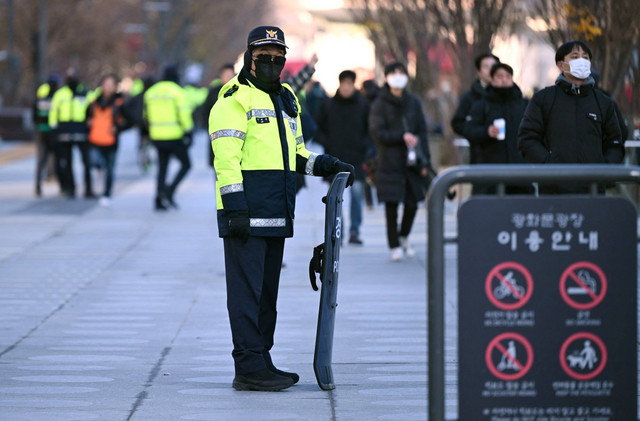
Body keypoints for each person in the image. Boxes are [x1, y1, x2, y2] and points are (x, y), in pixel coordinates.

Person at [209, 25, 354, 392]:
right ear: (249, 58)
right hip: (245, 213)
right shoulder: (233, 99)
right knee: (246, 294)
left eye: (278, 57)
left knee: (266, 296)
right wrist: (235, 208)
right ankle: (247, 366)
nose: (272, 63)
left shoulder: (288, 97)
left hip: (277, 210)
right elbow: (226, 162)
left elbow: (296, 154)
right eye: (264, 57)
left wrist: (325, 164)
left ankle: (262, 359)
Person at [518, 40, 624, 194]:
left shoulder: (603, 102)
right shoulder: (544, 99)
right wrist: (549, 164)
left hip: (593, 188)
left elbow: (615, 143)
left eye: (585, 57)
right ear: (561, 65)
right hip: (554, 189)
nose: (582, 61)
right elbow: (527, 138)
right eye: (575, 57)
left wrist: (603, 168)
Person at [369, 62, 432, 262]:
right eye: (394, 73)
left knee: (413, 203)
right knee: (391, 206)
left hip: (412, 161)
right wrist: (401, 136)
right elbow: (377, 132)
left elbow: (422, 129)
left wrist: (426, 160)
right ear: (386, 77)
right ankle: (394, 245)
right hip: (389, 161)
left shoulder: (413, 102)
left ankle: (404, 235)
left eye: (401, 72)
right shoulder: (379, 103)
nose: (398, 76)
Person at [315, 70, 371, 244]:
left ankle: (355, 231)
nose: (346, 87)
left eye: (349, 83)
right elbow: (316, 128)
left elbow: (370, 131)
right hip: (335, 160)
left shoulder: (363, 105)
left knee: (356, 195)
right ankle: (337, 232)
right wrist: (328, 143)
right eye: (344, 83)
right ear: (340, 84)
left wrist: (366, 148)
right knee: (335, 197)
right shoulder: (328, 105)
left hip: (357, 157)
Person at [463, 62, 532, 195]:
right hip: (489, 174)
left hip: (520, 174)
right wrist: (486, 132)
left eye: (508, 76)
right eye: (500, 76)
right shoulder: (481, 105)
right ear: (492, 80)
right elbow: (468, 130)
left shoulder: (525, 105)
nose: (504, 80)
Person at [143, 65, 194, 210]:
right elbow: (184, 114)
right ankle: (169, 191)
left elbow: (145, 116)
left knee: (162, 168)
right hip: (174, 136)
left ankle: (158, 198)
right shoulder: (177, 92)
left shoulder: (151, 92)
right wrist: (188, 132)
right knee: (186, 164)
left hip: (157, 136)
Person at [49, 68, 94, 199]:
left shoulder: (86, 93)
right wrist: (54, 129)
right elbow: (53, 112)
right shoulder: (60, 94)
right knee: (67, 162)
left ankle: (88, 188)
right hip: (64, 132)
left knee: (86, 162)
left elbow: (93, 108)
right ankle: (70, 188)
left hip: (82, 132)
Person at [86, 74, 128, 206]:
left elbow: (127, 120)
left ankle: (107, 194)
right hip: (95, 139)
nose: (108, 88)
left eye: (111, 85)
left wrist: (118, 127)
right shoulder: (94, 102)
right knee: (94, 161)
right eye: (106, 84)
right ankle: (99, 168)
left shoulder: (119, 102)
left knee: (110, 169)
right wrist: (88, 122)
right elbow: (86, 116)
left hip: (111, 141)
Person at [451, 53, 500, 164]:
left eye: (493, 66)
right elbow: (457, 123)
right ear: (478, 71)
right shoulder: (470, 97)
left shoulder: (507, 95)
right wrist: (477, 132)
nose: (490, 70)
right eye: (486, 66)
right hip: (479, 156)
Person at [201, 64, 236, 170]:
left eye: (231, 75)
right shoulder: (213, 92)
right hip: (217, 137)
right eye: (226, 75)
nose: (228, 77)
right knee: (219, 170)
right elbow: (205, 111)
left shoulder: (241, 91)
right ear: (221, 76)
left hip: (236, 138)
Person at [33, 74, 61, 197]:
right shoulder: (57, 99)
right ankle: (61, 186)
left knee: (41, 162)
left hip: (41, 133)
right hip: (53, 134)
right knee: (57, 160)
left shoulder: (39, 99)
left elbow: (34, 116)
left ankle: (38, 186)